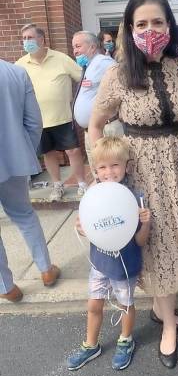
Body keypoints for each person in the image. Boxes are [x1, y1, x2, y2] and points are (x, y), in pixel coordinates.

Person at [88, 0, 178, 368]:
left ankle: (160, 306)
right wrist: (102, 175)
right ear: (129, 29)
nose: (150, 30)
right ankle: (168, 323)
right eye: (141, 24)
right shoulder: (118, 74)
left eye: (157, 22)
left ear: (169, 25)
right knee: (157, 243)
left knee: (172, 240)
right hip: (140, 174)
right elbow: (96, 124)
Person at [67, 136, 151, 371]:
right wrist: (82, 229)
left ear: (126, 166)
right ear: (95, 170)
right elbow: (91, 229)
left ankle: (126, 340)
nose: (109, 171)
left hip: (125, 265)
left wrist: (145, 223)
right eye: (102, 167)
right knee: (94, 305)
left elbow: (140, 241)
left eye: (115, 165)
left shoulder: (136, 197)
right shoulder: (93, 197)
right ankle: (91, 344)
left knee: (125, 305)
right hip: (100, 263)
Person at [0, 60, 60, 302]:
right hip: (14, 159)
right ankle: (46, 269)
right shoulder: (15, 72)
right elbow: (34, 123)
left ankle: (6, 286)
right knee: (24, 214)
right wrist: (24, 152)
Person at [16, 23, 87, 201]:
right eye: (24, 39)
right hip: (37, 121)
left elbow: (83, 77)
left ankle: (82, 184)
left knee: (73, 152)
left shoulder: (61, 58)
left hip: (62, 117)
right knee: (48, 153)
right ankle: (57, 185)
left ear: (41, 39)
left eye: (30, 38)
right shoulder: (20, 65)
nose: (26, 42)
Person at [72, 31, 122, 173]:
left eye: (78, 46)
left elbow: (122, 82)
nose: (75, 51)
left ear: (92, 47)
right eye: (73, 47)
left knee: (111, 173)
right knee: (98, 172)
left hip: (106, 129)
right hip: (92, 131)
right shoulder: (89, 66)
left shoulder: (103, 62)